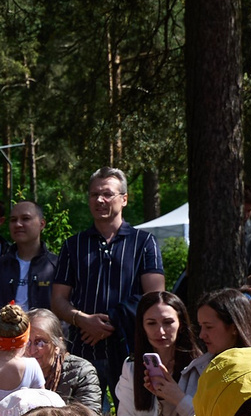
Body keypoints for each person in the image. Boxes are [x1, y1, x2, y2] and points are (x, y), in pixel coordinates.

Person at [50, 166, 167, 394]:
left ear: (124, 199)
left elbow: (154, 298)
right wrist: (83, 320)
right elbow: (58, 300)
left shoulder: (144, 242)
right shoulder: (73, 245)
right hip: (83, 351)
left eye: (107, 194)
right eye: (94, 194)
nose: (99, 200)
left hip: (130, 350)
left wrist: (109, 321)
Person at [111, 290, 199, 416]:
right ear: (142, 327)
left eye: (168, 323)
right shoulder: (132, 367)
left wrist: (176, 397)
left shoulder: (198, 367)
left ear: (181, 324)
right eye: (151, 323)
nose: (160, 331)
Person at [0, 199, 58, 331]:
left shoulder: (56, 266)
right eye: (13, 220)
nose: (18, 224)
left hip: (44, 344)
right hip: (3, 345)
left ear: (42, 224)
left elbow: (64, 311)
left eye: (25, 219)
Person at [25, 308, 102, 409]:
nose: (32, 350)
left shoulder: (81, 372)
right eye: (27, 342)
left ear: (57, 345)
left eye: (40, 342)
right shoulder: (13, 371)